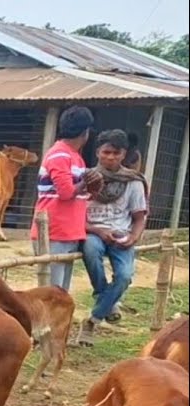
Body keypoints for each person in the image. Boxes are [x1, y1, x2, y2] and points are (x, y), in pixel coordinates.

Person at [79, 129, 147, 345]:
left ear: (123, 154)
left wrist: (134, 237)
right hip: (93, 232)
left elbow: (139, 217)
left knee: (125, 276)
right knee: (90, 249)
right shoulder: (85, 178)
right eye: (106, 152)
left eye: (115, 153)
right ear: (98, 151)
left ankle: (94, 318)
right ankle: (105, 298)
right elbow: (75, 215)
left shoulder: (133, 182)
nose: (110, 157)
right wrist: (97, 230)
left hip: (122, 235)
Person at [33, 105, 97, 291]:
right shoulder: (60, 154)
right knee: (53, 291)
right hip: (55, 231)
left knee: (61, 292)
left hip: (67, 231)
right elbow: (66, 192)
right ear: (85, 132)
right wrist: (86, 183)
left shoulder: (74, 157)